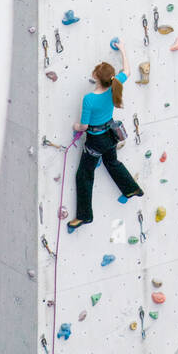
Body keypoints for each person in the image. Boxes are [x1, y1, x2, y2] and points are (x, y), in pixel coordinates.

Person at [68, 39, 143, 230]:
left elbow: (84, 126)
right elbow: (127, 71)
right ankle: (131, 188)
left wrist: (75, 126)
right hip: (111, 136)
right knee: (112, 162)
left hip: (96, 141)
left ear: (96, 77)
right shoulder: (115, 85)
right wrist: (123, 50)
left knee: (84, 175)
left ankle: (84, 216)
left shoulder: (90, 99)